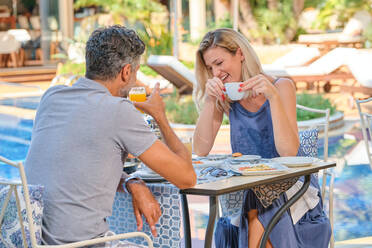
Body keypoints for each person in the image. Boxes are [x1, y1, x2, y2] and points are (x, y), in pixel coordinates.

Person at [25, 25, 196, 246]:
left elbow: (77, 171)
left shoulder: (51, 98)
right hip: (83, 244)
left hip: (32, 241)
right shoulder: (119, 110)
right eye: (135, 72)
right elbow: (187, 178)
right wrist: (159, 115)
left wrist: (131, 181)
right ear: (126, 72)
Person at [193, 28, 331, 248]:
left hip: (290, 183)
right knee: (253, 203)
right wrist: (210, 101)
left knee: (257, 210)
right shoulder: (227, 97)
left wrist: (273, 98)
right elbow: (200, 149)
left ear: (240, 53)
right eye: (210, 68)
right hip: (249, 184)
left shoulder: (281, 86)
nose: (216, 72)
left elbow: (289, 152)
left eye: (219, 63)